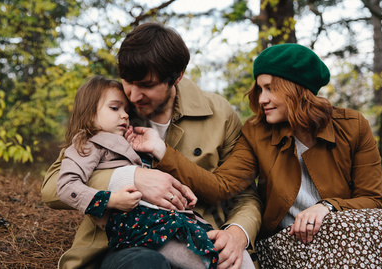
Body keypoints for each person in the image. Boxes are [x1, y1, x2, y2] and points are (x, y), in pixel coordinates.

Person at [127, 43, 382, 268]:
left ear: (297, 89)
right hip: (286, 243)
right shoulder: (257, 132)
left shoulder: (353, 125)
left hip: (344, 235)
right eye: (260, 88)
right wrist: (162, 151)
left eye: (270, 88)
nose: (262, 98)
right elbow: (221, 188)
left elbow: (371, 199)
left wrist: (326, 207)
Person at [41, 22, 262, 269]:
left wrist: (237, 233)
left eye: (146, 85)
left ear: (176, 77)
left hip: (195, 239)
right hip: (120, 247)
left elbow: (243, 193)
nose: (133, 96)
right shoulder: (110, 110)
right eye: (127, 81)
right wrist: (131, 178)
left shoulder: (219, 114)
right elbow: (53, 186)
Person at [56, 75, 235, 269]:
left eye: (126, 110)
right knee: (206, 259)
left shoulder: (128, 141)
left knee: (220, 251)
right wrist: (112, 200)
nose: (124, 115)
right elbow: (66, 186)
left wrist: (180, 189)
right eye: (115, 108)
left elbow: (153, 176)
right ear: (89, 113)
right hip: (139, 228)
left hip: (163, 220)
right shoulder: (87, 143)